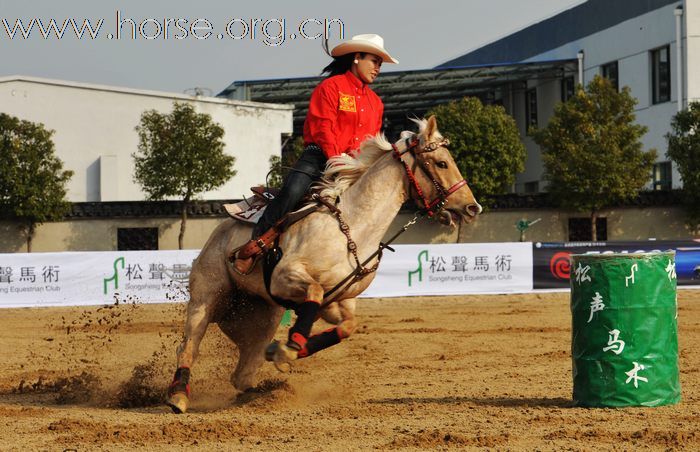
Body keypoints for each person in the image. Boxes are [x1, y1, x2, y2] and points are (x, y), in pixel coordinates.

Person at [233, 34, 398, 274]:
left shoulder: (376, 102)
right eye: (374, 60)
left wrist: (359, 166)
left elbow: (371, 142)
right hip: (319, 157)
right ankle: (253, 247)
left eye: (380, 63)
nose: (378, 68)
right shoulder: (331, 87)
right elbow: (323, 129)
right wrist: (336, 160)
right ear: (356, 57)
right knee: (292, 192)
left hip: (353, 166)